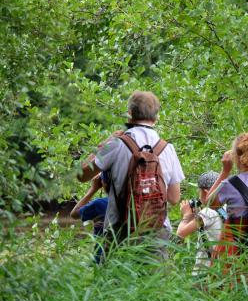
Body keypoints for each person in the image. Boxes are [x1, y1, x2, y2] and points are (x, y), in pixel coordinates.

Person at [77, 90, 184, 260]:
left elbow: (82, 175)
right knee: (153, 285)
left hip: (119, 230)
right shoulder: (167, 148)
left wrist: (104, 143)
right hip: (156, 231)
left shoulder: (116, 144)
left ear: (130, 114)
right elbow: (173, 197)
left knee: (117, 284)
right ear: (156, 118)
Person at [176, 171, 226, 278]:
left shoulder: (206, 214)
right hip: (220, 269)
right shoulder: (226, 209)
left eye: (199, 192)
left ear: (206, 192)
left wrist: (186, 216)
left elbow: (180, 233)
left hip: (204, 271)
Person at [70, 172, 109, 263]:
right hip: (125, 256)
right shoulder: (130, 201)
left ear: (103, 183)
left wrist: (93, 189)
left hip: (102, 258)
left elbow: (74, 214)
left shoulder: (99, 204)